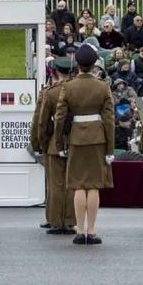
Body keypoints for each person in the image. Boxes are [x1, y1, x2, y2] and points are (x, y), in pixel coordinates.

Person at [52, 46, 114, 245]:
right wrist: (110, 148)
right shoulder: (103, 86)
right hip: (97, 138)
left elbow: (60, 118)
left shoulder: (68, 87)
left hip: (76, 138)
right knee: (93, 185)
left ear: (77, 64)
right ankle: (92, 230)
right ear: (94, 64)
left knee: (78, 185)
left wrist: (60, 143)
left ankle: (80, 230)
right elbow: (109, 120)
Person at [38, 58, 75, 234]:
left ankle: (56, 221)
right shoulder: (77, 90)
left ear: (55, 72)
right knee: (72, 183)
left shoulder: (51, 92)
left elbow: (43, 122)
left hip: (55, 141)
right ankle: (70, 220)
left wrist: (44, 143)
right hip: (76, 140)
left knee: (55, 184)